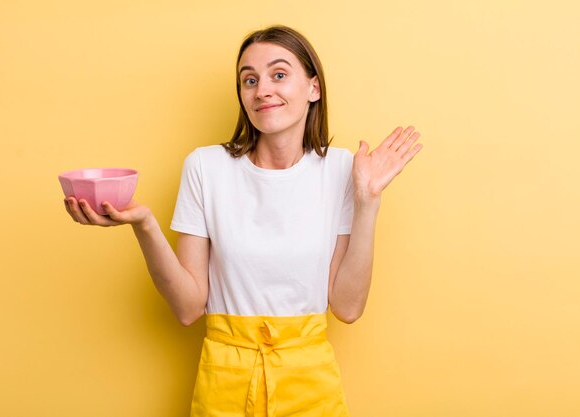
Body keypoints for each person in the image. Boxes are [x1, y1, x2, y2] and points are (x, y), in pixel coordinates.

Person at [64, 25, 422, 417]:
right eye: (249, 80)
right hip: (225, 384)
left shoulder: (342, 171)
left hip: (310, 386)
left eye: (279, 75)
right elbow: (187, 308)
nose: (261, 89)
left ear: (314, 88)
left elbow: (348, 307)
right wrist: (144, 224)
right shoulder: (205, 167)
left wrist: (367, 201)